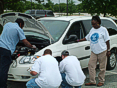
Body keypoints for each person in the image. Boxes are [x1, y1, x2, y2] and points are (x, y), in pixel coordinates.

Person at [0, 18, 36, 88]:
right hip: (6, 50)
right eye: (22, 26)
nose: (22, 27)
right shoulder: (18, 29)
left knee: (1, 67)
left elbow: (8, 36)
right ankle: (3, 86)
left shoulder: (7, 24)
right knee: (3, 70)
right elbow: (25, 42)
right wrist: (32, 47)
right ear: (20, 24)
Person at [77, 15, 111, 87]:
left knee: (102, 67)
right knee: (91, 65)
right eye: (92, 24)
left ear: (98, 22)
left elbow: (107, 40)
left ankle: (101, 80)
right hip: (94, 52)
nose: (93, 25)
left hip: (102, 51)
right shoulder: (92, 30)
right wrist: (79, 40)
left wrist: (108, 50)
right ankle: (92, 81)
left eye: (94, 24)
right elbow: (87, 38)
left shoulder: (103, 29)